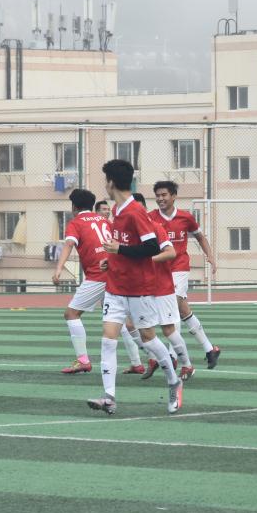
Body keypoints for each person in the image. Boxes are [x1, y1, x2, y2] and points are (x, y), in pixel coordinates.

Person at [87, 159, 182, 415]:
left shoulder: (135, 211)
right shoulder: (116, 210)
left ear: (111, 183)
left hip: (139, 288)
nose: (104, 185)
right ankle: (109, 397)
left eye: (105, 180)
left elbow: (151, 247)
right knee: (108, 338)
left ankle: (174, 381)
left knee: (149, 339)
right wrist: (112, 260)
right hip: (115, 287)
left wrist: (119, 250)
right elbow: (124, 248)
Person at [52, 188, 144, 374]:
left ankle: (83, 360)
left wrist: (59, 268)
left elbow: (69, 244)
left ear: (74, 206)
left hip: (98, 275)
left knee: (71, 314)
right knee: (120, 319)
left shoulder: (75, 223)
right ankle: (139, 362)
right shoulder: (104, 220)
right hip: (116, 272)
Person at [150, 181, 221, 369]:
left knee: (172, 306)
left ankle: (172, 355)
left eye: (164, 195)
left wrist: (210, 256)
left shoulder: (185, 217)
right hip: (160, 270)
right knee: (183, 311)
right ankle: (210, 349)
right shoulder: (151, 218)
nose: (160, 198)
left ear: (173, 196)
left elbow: (200, 237)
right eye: (158, 195)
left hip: (179, 267)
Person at [132, 193, 195, 381]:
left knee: (168, 329)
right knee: (142, 331)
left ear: (144, 209)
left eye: (137, 209)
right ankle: (157, 360)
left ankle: (187, 365)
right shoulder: (127, 233)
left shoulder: (155, 227)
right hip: (140, 289)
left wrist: (147, 260)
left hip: (162, 287)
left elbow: (170, 253)